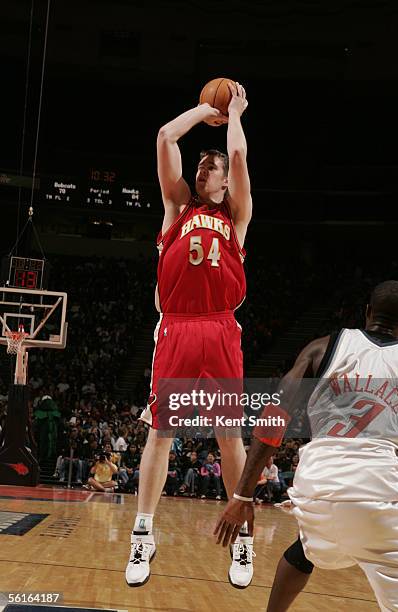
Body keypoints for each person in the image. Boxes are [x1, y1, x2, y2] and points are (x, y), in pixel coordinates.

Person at [126, 82, 253, 588]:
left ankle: (242, 537)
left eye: (211, 168)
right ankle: (142, 535)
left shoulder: (236, 216)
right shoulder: (176, 208)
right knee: (160, 432)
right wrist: (206, 110)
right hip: (177, 327)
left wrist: (235, 112)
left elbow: (239, 153)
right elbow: (164, 138)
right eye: (200, 166)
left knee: (229, 436)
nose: (204, 170)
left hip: (220, 327)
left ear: (224, 184)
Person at [214, 280, 398, 611]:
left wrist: (242, 496)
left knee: (308, 547)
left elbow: (272, 420)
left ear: (367, 313)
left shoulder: (322, 347)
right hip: (377, 486)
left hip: (315, 483)